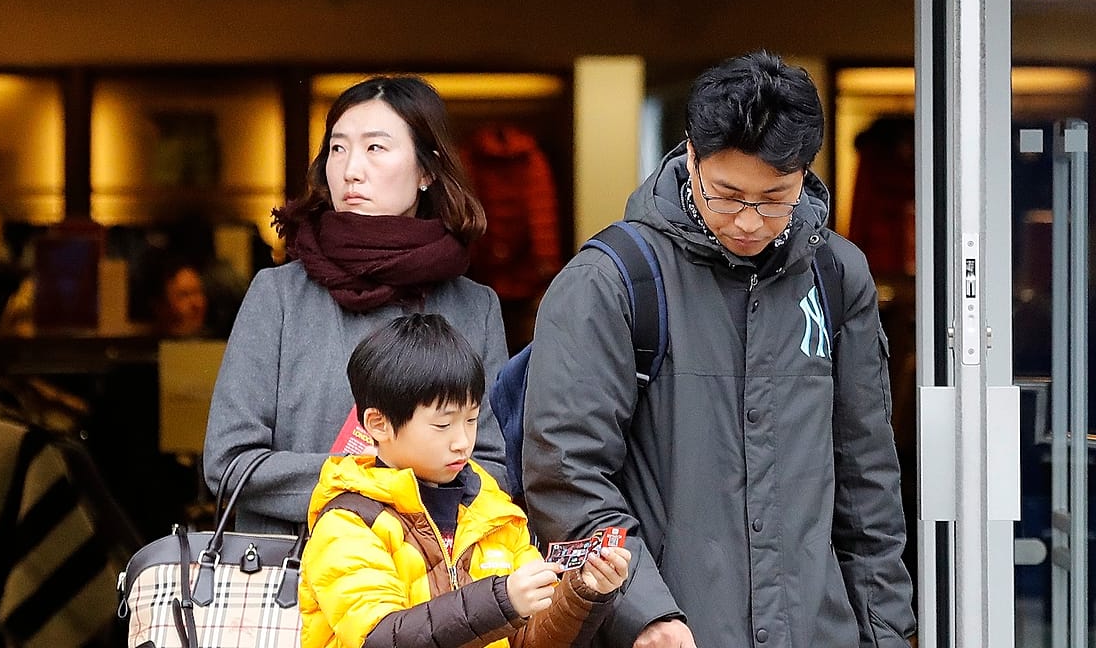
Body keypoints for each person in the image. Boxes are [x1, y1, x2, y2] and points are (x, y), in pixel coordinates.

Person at [522, 50, 916, 648]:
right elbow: (566, 474)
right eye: (727, 194)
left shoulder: (837, 276)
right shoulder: (611, 281)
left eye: (775, 199)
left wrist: (886, 634)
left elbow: (867, 490)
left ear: (806, 176)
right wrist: (645, 612)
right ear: (689, 156)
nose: (750, 222)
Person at [203, 75, 510, 534]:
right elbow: (229, 463)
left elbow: (492, 469)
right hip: (291, 581)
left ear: (427, 171)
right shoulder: (279, 296)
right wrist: (368, 485)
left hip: (428, 589)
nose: (350, 170)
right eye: (338, 148)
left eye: (375, 148)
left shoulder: (474, 308)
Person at [301, 313, 630, 648]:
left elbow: (531, 639)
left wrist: (583, 591)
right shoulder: (348, 523)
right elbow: (379, 638)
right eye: (443, 425)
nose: (462, 441)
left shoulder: (496, 513)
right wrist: (502, 601)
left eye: (471, 420)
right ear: (378, 424)